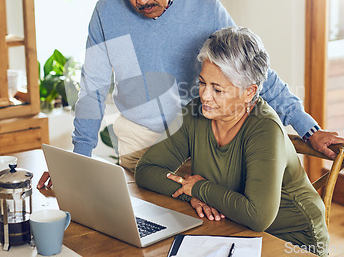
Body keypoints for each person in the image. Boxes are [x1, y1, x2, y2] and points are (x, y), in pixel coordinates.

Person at [38, 0, 344, 187]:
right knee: (147, 229)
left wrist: (308, 128)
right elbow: (92, 89)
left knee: (207, 227)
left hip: (200, 139)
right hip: (139, 145)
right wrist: (77, 161)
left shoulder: (207, 11)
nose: (141, 0)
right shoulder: (106, 13)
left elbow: (254, 73)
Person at [135, 27, 329, 257]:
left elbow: (258, 217)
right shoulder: (195, 112)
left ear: (249, 92)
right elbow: (146, 171)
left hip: (292, 240)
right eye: (202, 83)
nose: (205, 96)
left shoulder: (265, 129)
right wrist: (192, 194)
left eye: (217, 89)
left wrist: (199, 187)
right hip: (233, 227)